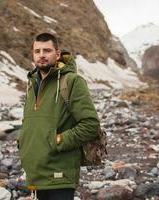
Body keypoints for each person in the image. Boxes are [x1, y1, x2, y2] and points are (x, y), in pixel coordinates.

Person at [18, 32, 100, 200]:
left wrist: (58, 141)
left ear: (57, 53)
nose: (41, 55)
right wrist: (23, 142)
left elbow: (90, 124)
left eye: (47, 50)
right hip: (36, 171)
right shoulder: (32, 83)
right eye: (37, 51)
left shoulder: (72, 81)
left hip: (60, 173)